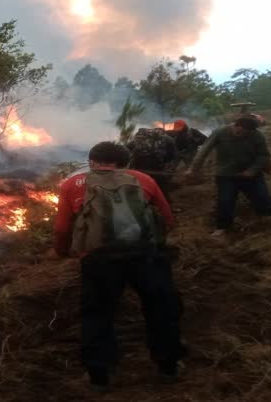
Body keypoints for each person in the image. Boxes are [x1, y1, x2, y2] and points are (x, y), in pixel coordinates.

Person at [54, 141, 185, 392]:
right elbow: (167, 218)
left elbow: (61, 229)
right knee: (162, 307)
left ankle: (99, 376)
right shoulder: (142, 179)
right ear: (125, 163)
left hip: (99, 260)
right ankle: (168, 367)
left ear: (92, 162)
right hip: (145, 256)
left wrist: (63, 252)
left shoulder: (73, 184)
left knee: (97, 314)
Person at [186, 116, 271, 235]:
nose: (242, 135)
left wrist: (252, 171)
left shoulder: (257, 135)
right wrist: (193, 169)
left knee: (262, 198)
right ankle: (223, 228)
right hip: (226, 175)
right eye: (240, 132)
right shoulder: (220, 132)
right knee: (225, 201)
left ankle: (269, 222)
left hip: (251, 175)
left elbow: (263, 156)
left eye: (247, 134)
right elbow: (204, 151)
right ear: (235, 125)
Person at [127, 127, 178, 201]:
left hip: (139, 164)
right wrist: (164, 161)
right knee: (161, 184)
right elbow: (172, 155)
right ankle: (165, 201)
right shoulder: (168, 139)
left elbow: (127, 148)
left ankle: (138, 199)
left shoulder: (140, 138)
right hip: (156, 164)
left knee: (139, 182)